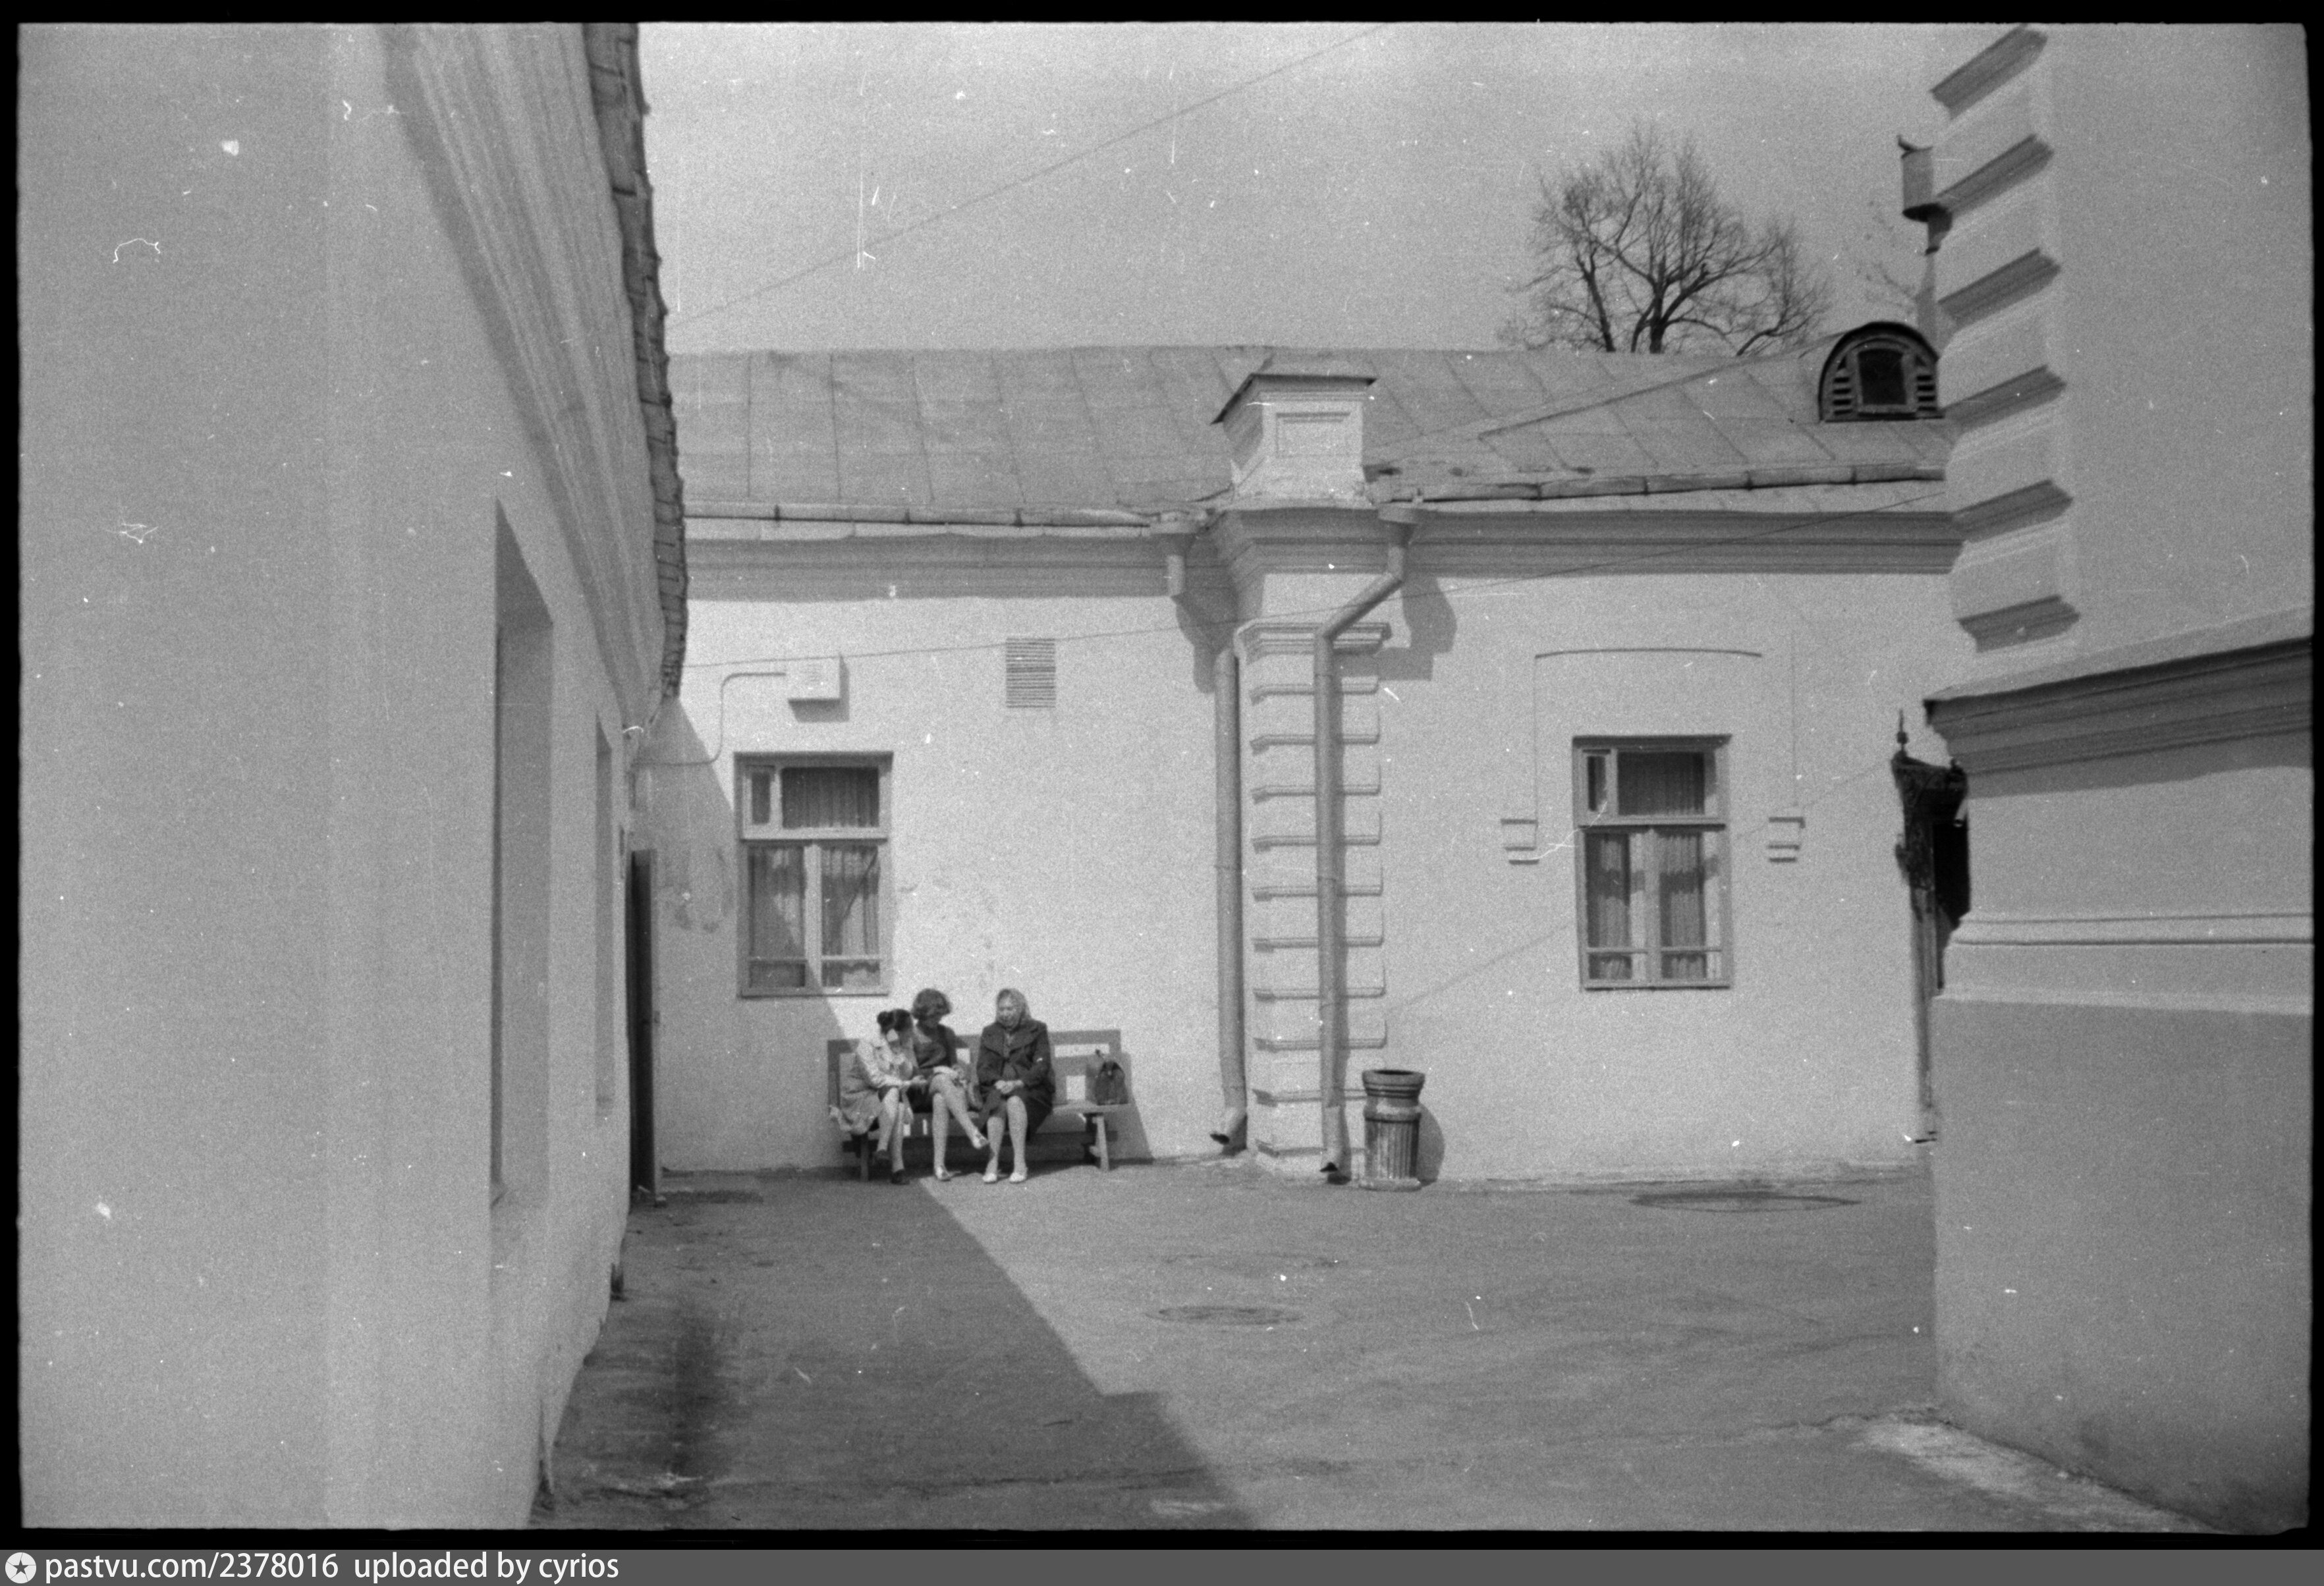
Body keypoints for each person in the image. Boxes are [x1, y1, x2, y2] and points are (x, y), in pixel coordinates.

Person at [975, 987, 1054, 1184]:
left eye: (1010, 1009)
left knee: (1015, 1102)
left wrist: (1018, 1083)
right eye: (1001, 1009)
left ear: (1021, 1008)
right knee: (997, 1103)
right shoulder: (990, 1032)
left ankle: (1020, 1163)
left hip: (1030, 1089)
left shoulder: (1037, 1029)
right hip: (998, 1087)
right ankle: (992, 1163)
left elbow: (1042, 1066)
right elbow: (983, 1068)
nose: (1005, 1013)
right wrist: (999, 1081)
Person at [908, 987, 986, 1180]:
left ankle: (939, 1166)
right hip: (918, 1091)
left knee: (941, 1100)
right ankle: (972, 1131)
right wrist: (938, 1070)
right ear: (921, 1013)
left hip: (942, 1092)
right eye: (932, 1016)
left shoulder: (947, 1033)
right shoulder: (910, 1035)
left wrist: (958, 1070)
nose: (937, 1020)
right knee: (942, 1079)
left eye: (940, 1015)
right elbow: (911, 1072)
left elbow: (952, 1064)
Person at [839, 1009, 920, 1183]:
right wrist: (901, 1083)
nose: (912, 1032)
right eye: (909, 1029)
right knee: (894, 1094)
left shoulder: (902, 1044)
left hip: (887, 1100)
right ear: (896, 1031)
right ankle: (896, 1166)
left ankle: (884, 1153)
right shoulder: (867, 1044)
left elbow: (907, 1074)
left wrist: (898, 1051)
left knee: (896, 1101)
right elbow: (874, 1079)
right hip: (860, 1099)